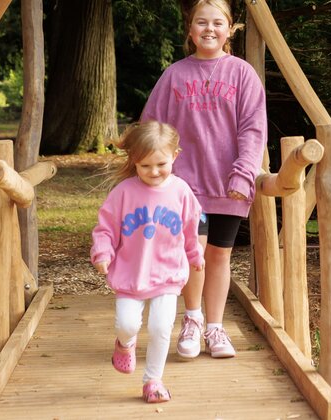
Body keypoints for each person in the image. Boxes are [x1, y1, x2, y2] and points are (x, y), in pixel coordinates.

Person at [141, 0, 267, 359]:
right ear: (190, 30)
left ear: (230, 30)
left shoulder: (242, 74)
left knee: (220, 256)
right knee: (193, 255)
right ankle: (192, 321)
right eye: (201, 22)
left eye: (217, 23)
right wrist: (155, 171)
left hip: (229, 184)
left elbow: (253, 129)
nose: (209, 29)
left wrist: (244, 173)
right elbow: (152, 127)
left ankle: (215, 327)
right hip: (184, 187)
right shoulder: (174, 75)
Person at [90, 121, 205, 403]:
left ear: (175, 155)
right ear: (134, 162)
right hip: (131, 275)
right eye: (145, 166)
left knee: (160, 327)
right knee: (128, 324)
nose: (154, 172)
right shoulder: (123, 193)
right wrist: (102, 253)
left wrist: (194, 254)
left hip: (168, 274)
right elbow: (104, 229)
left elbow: (192, 228)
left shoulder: (181, 192)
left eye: (161, 164)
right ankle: (124, 343)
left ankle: (153, 381)